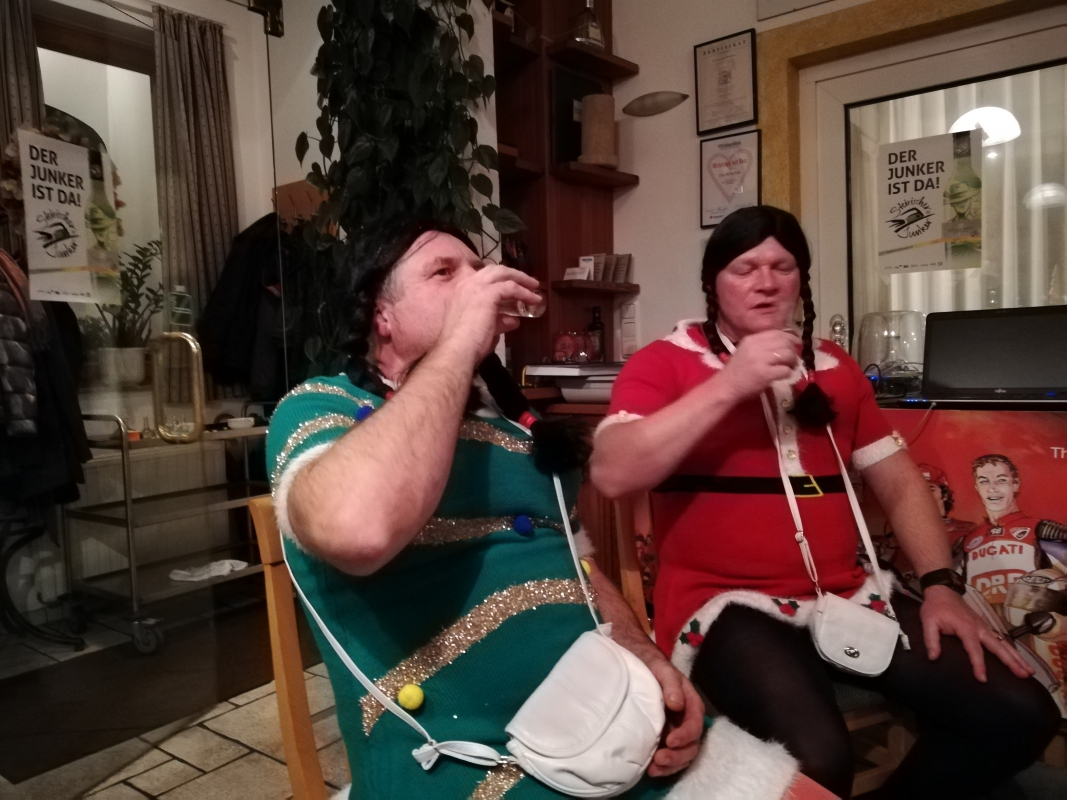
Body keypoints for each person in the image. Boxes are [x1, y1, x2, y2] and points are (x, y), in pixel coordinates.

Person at [266, 218, 806, 800]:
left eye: (478, 270)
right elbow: (358, 530)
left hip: (605, 717)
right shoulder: (323, 406)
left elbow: (579, 565)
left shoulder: (513, 432)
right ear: (382, 315)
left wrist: (648, 663)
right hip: (463, 758)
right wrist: (460, 342)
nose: (476, 284)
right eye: (444, 273)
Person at [590, 205, 1060, 799]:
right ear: (713, 282)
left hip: (848, 593)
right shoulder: (665, 361)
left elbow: (900, 484)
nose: (765, 282)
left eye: (782, 267)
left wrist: (941, 585)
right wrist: (731, 383)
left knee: (1021, 714)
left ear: (802, 279)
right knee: (817, 759)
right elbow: (611, 474)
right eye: (745, 268)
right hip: (723, 604)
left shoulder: (836, 366)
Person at [965, 453, 1067, 613]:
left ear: (1016, 484)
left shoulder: (1040, 530)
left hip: (1033, 626)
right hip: (981, 625)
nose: (992, 488)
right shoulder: (967, 541)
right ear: (976, 487)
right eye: (984, 481)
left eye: (1001, 480)